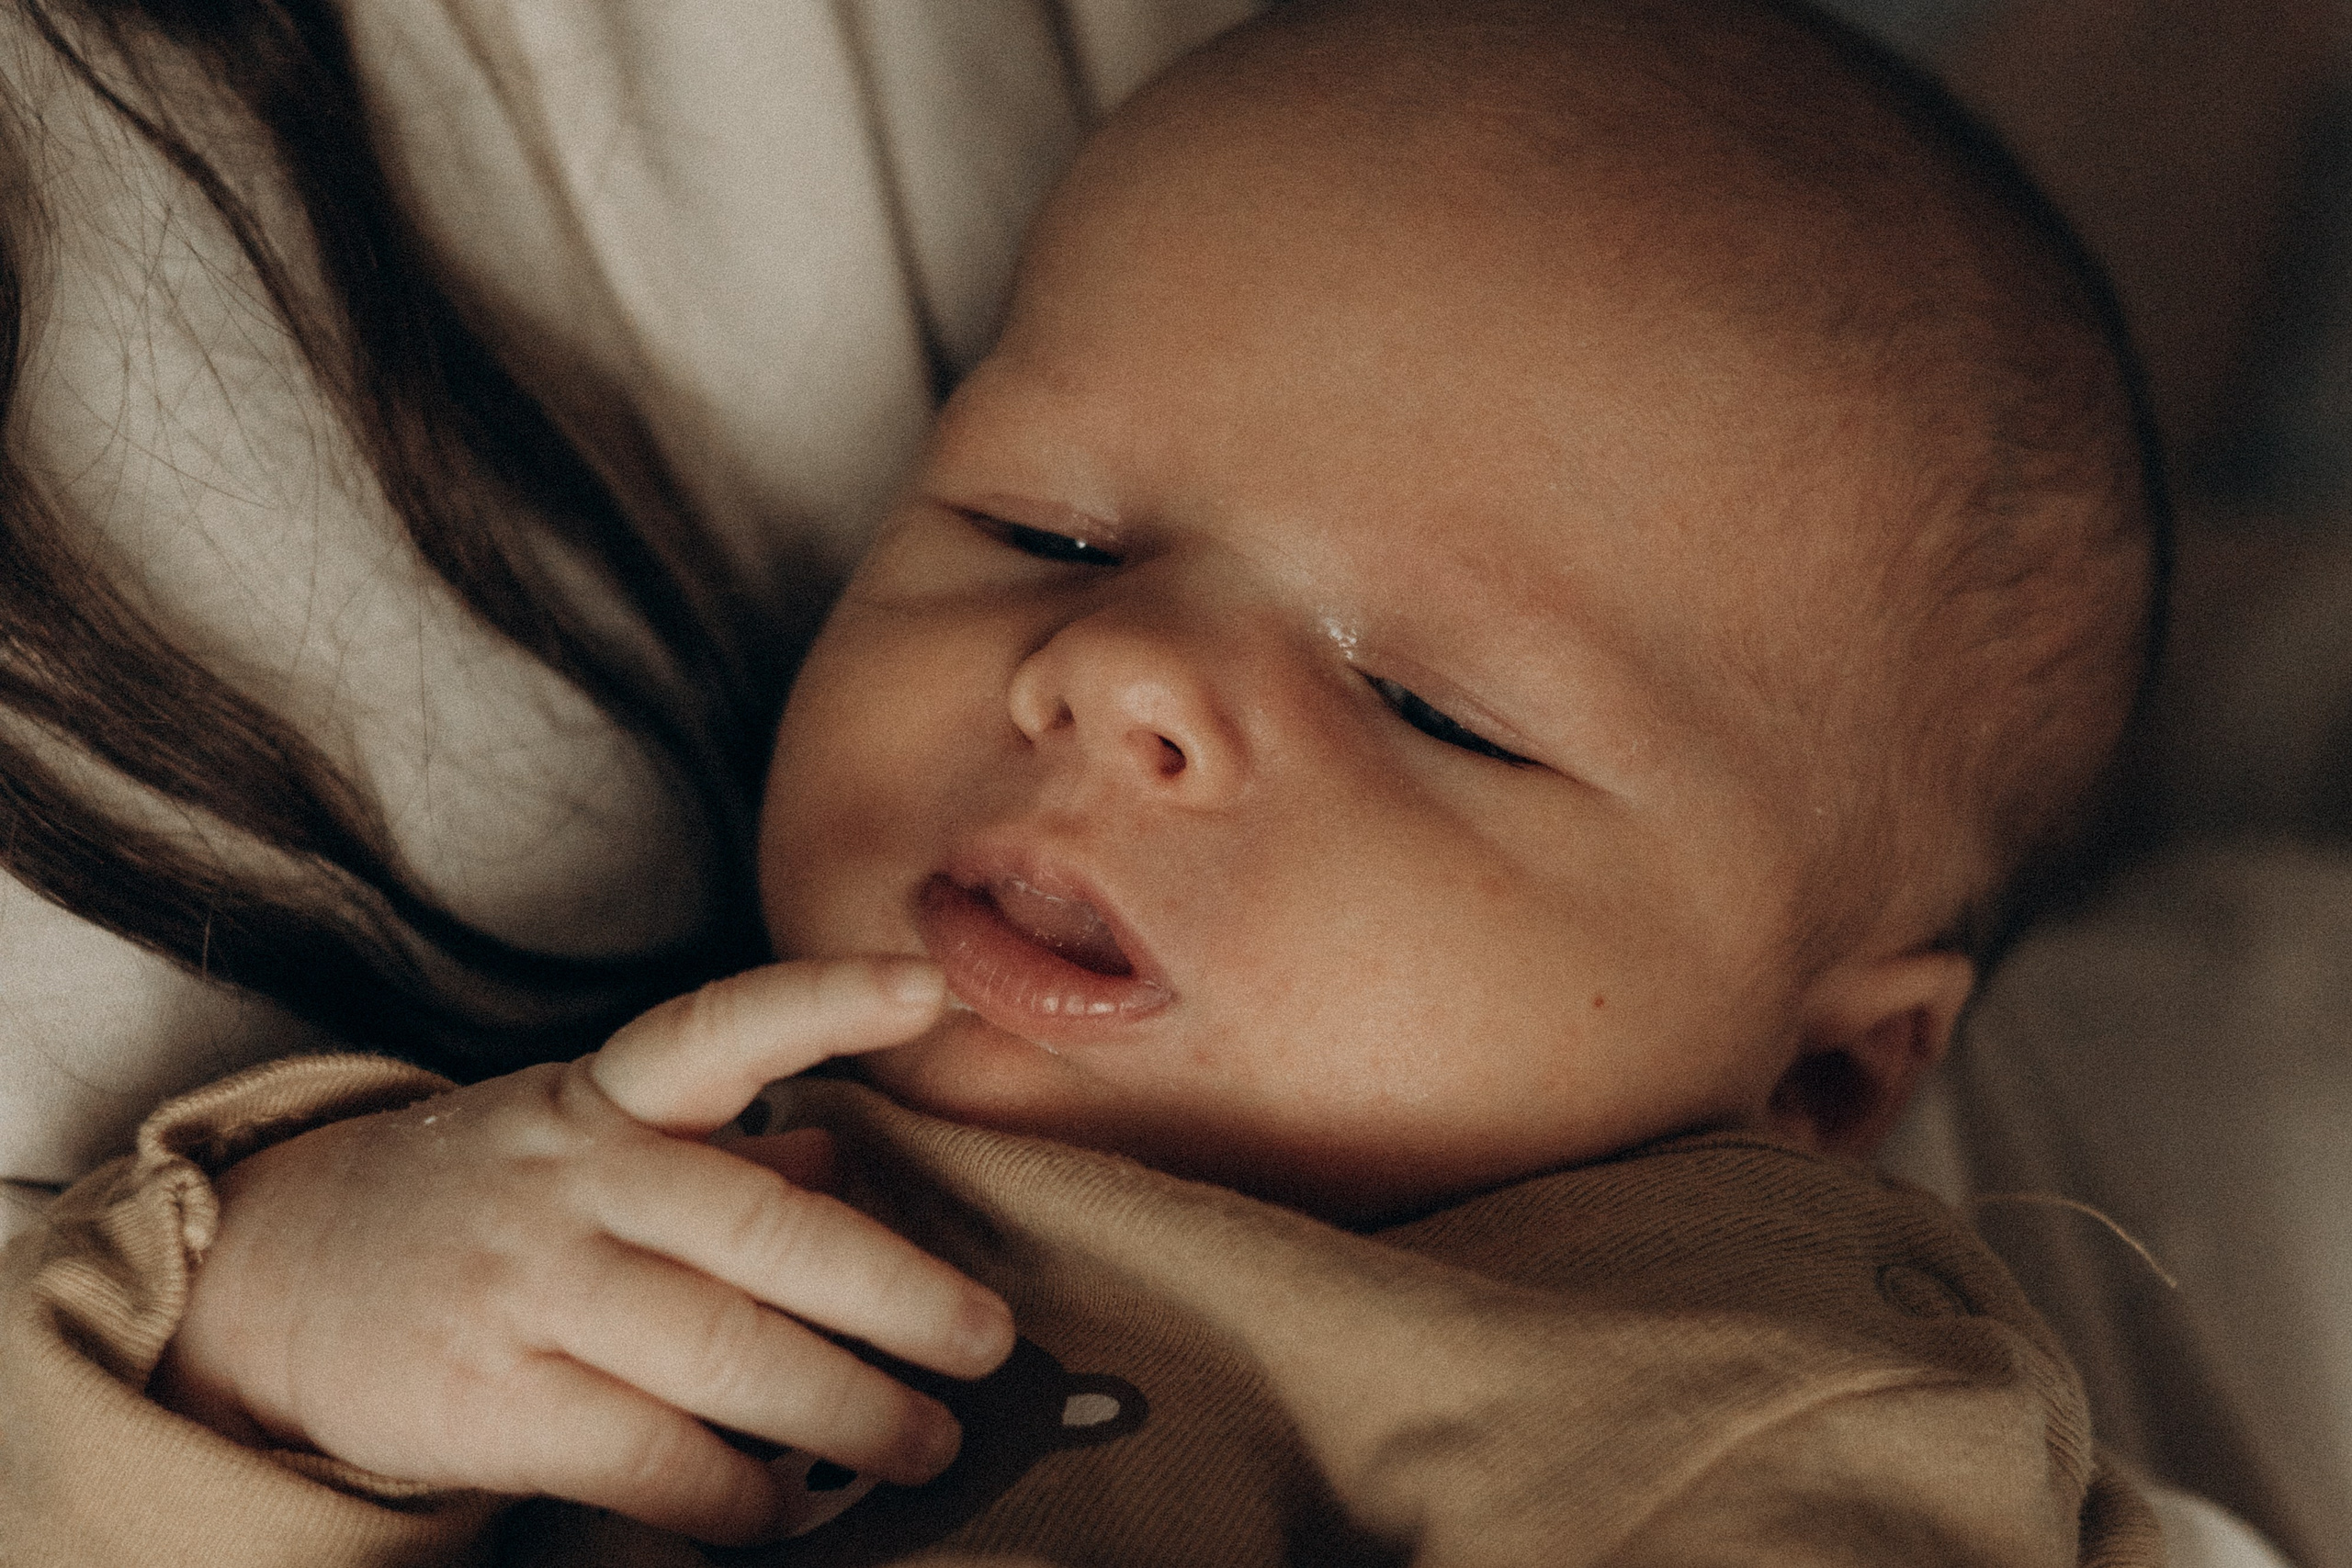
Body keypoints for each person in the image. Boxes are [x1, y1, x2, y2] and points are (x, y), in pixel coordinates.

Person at [3, 0, 2169, 1562]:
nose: (1112, 667)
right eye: (1042, 534)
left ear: (1818, 1084)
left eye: (1431, 704)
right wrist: (281, 1333)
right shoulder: (609, 1159)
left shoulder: (1728, 1379)